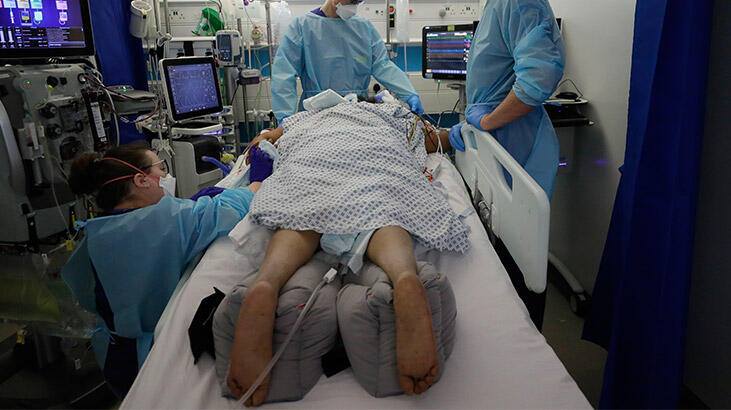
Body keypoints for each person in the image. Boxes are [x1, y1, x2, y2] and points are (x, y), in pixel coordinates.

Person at [225, 103, 465, 407]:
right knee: (384, 213)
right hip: (376, 153)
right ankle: (404, 276)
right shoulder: (391, 113)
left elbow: (266, 140)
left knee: (298, 216)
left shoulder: (307, 117)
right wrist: (459, 133)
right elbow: (433, 141)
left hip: (314, 154)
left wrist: (264, 138)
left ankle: (267, 283)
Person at [61, 143, 273, 397]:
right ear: (141, 180)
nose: (166, 176)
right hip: (151, 355)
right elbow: (230, 209)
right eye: (161, 168)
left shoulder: (99, 231)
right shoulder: (168, 222)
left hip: (113, 354)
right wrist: (258, 179)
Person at [449, 0, 565, 197]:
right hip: (497, 136)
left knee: (519, 211)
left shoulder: (516, 2)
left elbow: (539, 77)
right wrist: (472, 125)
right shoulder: (497, 5)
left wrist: (487, 121)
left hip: (516, 141)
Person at [271, 0, 424, 123]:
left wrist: (409, 94)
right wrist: (285, 117)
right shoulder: (302, 26)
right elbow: (284, 74)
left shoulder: (364, 28)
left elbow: (382, 65)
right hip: (315, 114)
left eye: (357, 2)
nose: (354, 5)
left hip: (358, 112)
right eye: (351, 1)